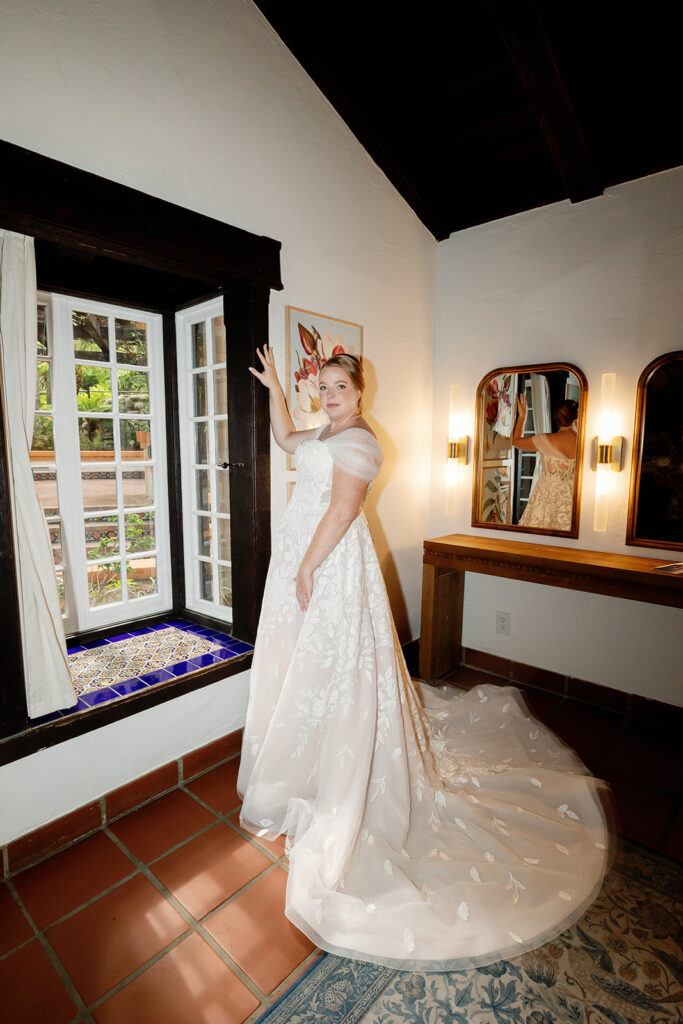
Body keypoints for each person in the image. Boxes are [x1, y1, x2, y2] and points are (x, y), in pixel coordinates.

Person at [238, 348, 610, 970]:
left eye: (339, 386)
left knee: (337, 670)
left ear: (360, 392)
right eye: (322, 385)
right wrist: (275, 386)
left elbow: (342, 509)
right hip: (304, 561)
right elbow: (283, 438)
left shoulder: (359, 441)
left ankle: (343, 774)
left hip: (327, 565)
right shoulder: (325, 430)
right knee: (307, 670)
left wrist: (305, 566)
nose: (329, 394)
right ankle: (307, 764)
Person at [513, 395, 578, 530]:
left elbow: (516, 441)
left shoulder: (545, 440)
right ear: (575, 418)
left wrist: (522, 416)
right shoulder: (585, 441)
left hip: (545, 499)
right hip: (574, 499)